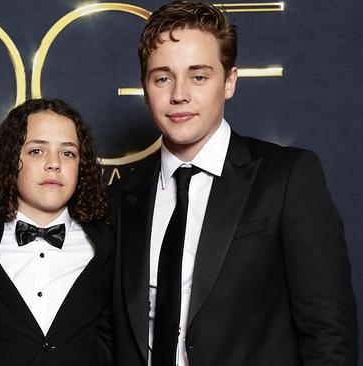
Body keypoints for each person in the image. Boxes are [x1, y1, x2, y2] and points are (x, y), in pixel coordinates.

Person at [110, 1, 358, 365]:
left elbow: (329, 333)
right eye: (163, 77)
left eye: (199, 76)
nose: (179, 94)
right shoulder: (119, 198)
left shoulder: (287, 177)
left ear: (229, 82)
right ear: (146, 89)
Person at [0, 98, 114, 366]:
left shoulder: (108, 244)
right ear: (11, 159)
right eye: (37, 151)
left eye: (68, 153)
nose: (54, 164)